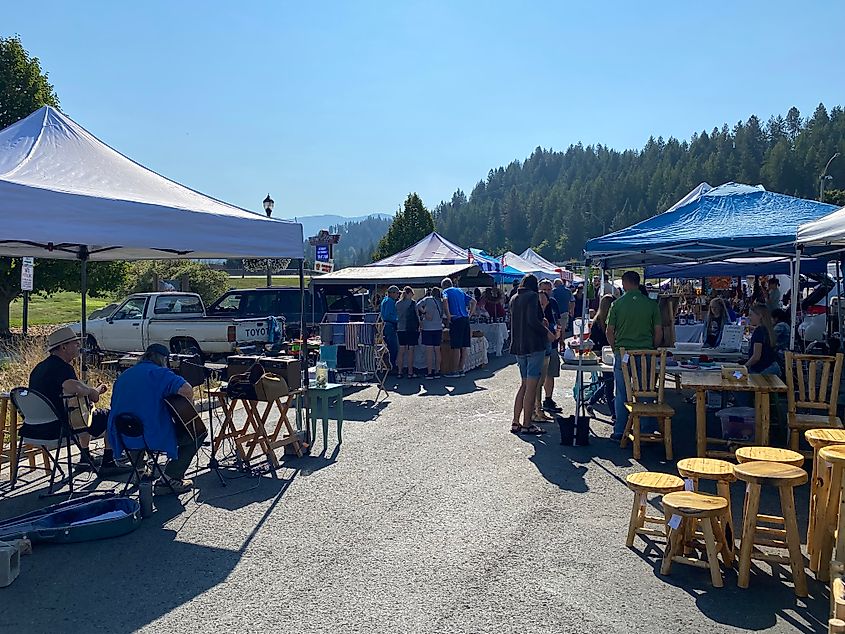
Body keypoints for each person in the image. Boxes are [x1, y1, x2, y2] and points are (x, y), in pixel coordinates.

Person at [26, 326, 128, 474]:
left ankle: (85, 457)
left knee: (84, 410)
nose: (79, 346)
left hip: (35, 426)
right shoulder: (62, 368)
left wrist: (93, 392)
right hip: (58, 427)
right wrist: (92, 392)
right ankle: (108, 462)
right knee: (110, 416)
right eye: (75, 343)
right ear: (63, 347)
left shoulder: (39, 368)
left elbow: (75, 392)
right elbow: (75, 388)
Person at [107, 344, 202, 494]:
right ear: (164, 359)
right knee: (198, 432)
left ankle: (139, 471)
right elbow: (187, 390)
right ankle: (170, 479)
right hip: (152, 434)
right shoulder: (160, 373)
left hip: (123, 434)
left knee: (136, 426)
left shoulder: (126, 374)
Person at [606, 271, 662, 441]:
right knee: (645, 391)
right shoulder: (651, 304)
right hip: (645, 353)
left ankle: (620, 430)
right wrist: (653, 347)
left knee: (622, 392)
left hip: (623, 352)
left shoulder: (617, 304)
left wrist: (615, 348)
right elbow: (658, 331)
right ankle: (646, 429)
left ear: (625, 283)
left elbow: (610, 331)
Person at [509, 274, 554, 435]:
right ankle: (527, 424)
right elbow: (532, 321)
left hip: (519, 346)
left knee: (523, 384)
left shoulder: (514, 298)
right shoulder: (532, 296)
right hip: (534, 345)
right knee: (531, 386)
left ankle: (516, 422)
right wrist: (547, 332)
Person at [587, 294, 616, 420]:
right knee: (609, 384)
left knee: (609, 382)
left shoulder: (599, 321)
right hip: (603, 356)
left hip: (608, 354)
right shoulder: (599, 322)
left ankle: (591, 402)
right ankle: (614, 414)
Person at [441, 278, 476, 378]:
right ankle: (461, 369)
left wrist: (448, 315)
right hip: (465, 318)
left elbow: (445, 300)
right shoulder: (460, 291)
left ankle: (454, 370)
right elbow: (473, 301)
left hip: (455, 319)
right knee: (464, 346)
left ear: (443, 286)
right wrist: (470, 314)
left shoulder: (445, 291)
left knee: (456, 346)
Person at [539, 279, 562, 413]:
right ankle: (537, 404)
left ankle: (548, 399)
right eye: (544, 289)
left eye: (549, 289)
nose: (547, 292)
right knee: (539, 375)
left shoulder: (553, 302)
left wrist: (561, 337)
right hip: (541, 345)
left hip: (553, 343)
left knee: (551, 373)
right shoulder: (536, 304)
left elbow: (557, 320)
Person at [745, 304, 780, 375]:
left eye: (751, 315)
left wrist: (744, 367)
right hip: (771, 367)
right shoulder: (767, 329)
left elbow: (756, 357)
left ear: (760, 315)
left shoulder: (758, 331)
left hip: (762, 370)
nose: (749, 317)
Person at [417, 287, 444, 379]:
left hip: (428, 327)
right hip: (438, 327)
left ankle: (429, 372)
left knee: (429, 351)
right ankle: (437, 370)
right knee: (437, 350)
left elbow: (417, 305)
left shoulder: (427, 299)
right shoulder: (441, 302)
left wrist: (424, 313)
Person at [395, 286, 419, 379]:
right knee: (410, 351)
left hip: (400, 328)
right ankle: (410, 372)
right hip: (411, 329)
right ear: (409, 293)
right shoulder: (413, 303)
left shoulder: (398, 303)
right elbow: (417, 316)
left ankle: (400, 372)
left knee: (401, 350)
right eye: (412, 293)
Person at [379, 285, 401, 372]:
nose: (398, 295)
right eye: (396, 293)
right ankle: (392, 367)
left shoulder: (385, 300)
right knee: (393, 348)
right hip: (389, 325)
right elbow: (388, 315)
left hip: (386, 325)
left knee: (390, 346)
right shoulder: (390, 301)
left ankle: (388, 364)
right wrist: (398, 320)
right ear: (391, 293)